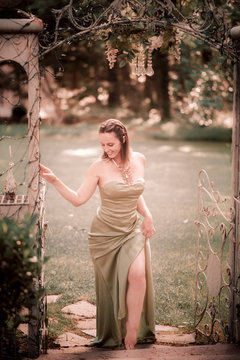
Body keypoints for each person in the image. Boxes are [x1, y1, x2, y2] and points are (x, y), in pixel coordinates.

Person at [40, 118, 156, 350]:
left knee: (138, 276)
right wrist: (55, 180)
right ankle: (115, 330)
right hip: (105, 234)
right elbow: (78, 199)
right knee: (113, 283)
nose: (106, 149)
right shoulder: (98, 167)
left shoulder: (139, 159)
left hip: (132, 228)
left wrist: (148, 215)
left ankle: (132, 330)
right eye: (102, 145)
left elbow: (133, 193)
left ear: (123, 139)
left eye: (110, 144)